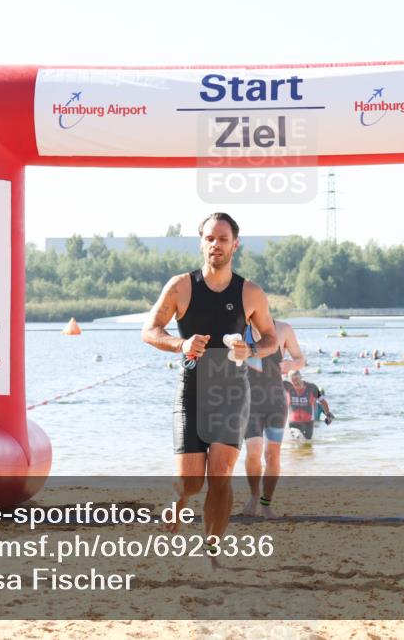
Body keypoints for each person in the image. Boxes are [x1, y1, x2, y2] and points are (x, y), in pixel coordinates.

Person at [141, 212, 277, 566]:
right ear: (201, 242)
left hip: (232, 393)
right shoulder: (180, 287)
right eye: (209, 238)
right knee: (190, 482)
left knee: (220, 473)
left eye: (222, 238)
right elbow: (150, 330)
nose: (216, 245)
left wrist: (253, 350)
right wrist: (181, 345)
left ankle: (212, 551)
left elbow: (272, 338)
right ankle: (180, 499)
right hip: (191, 392)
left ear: (235, 244)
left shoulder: (250, 292)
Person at [241, 320, 306, 519]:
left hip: (276, 401)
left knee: (272, 455)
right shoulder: (240, 329)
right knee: (253, 453)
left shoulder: (284, 329)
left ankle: (266, 503)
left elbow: (300, 359)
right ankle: (254, 495)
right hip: (249, 401)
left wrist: (291, 365)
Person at [284, 370, 333, 440]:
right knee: (295, 443)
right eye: (293, 380)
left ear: (301, 377)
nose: (295, 382)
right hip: (293, 422)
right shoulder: (287, 387)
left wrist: (328, 415)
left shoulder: (312, 387)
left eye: (296, 379)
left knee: (307, 444)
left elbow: (323, 402)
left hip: (308, 423)